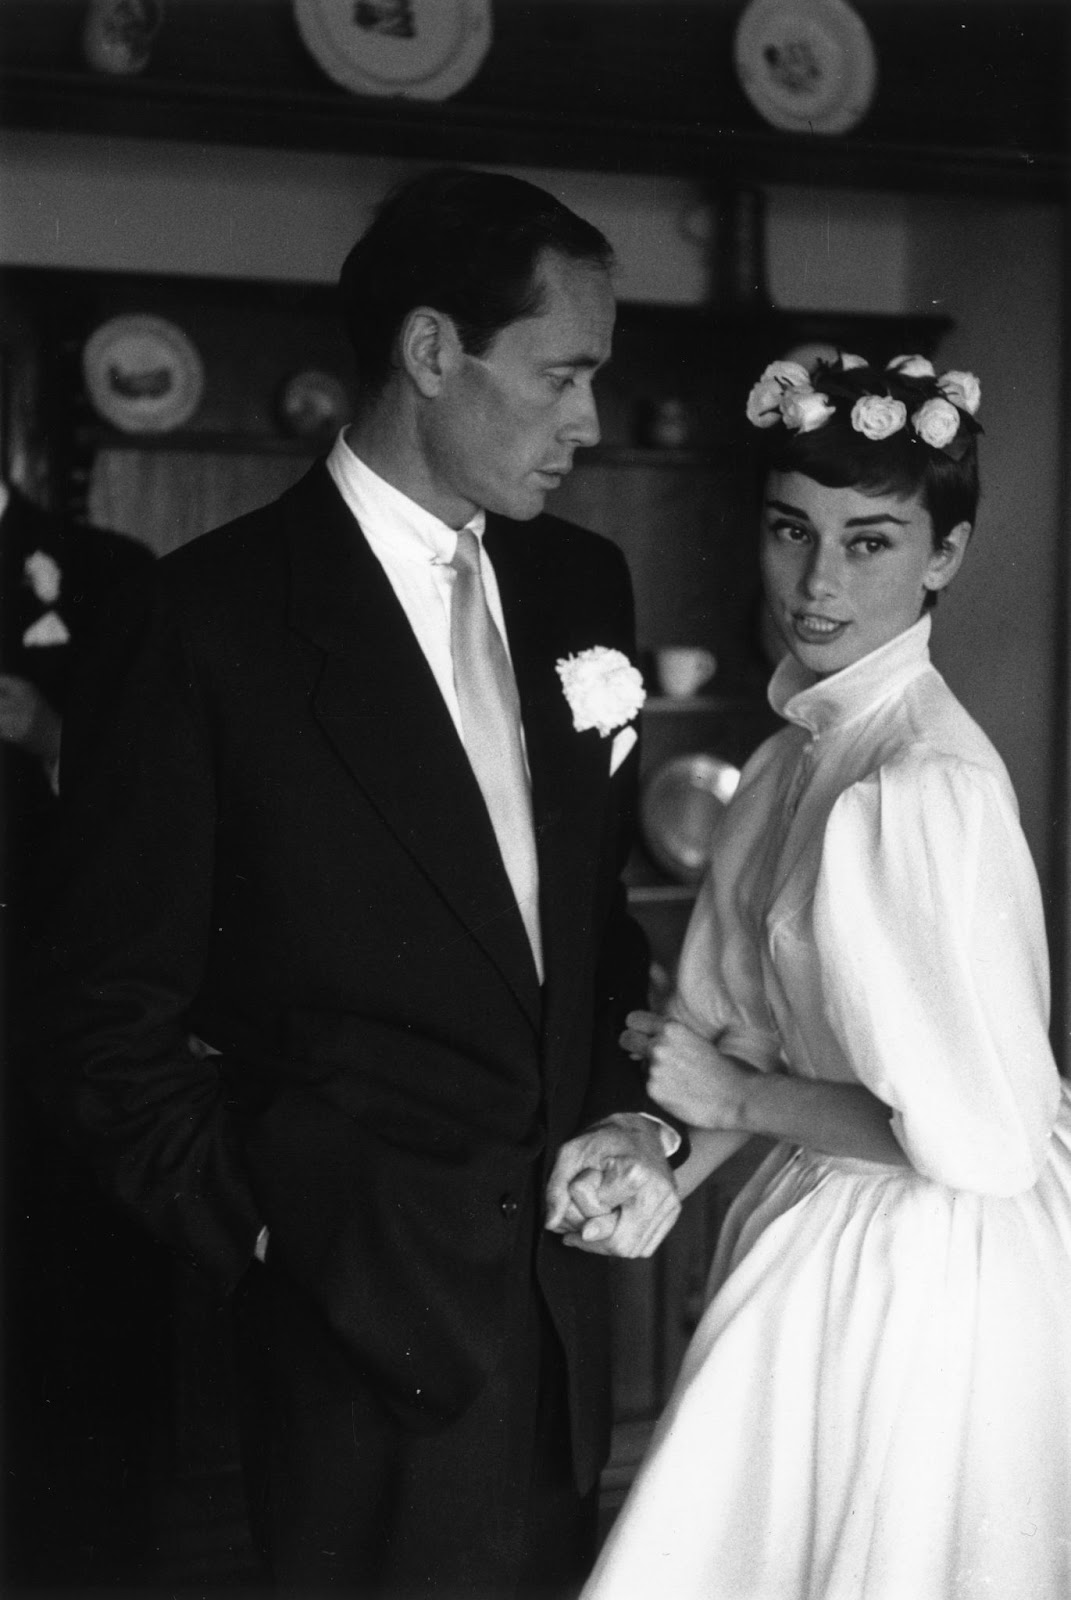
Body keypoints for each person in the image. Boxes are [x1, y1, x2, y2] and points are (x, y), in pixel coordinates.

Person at [22, 167, 685, 1599]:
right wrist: (278, 1236)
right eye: (560, 374)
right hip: (349, 1344)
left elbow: (585, 933)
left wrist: (627, 1118)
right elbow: (97, 1022)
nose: (588, 421)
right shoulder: (202, 622)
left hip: (566, 1319)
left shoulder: (580, 586)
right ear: (432, 350)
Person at [581, 352, 1071, 1600]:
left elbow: (985, 1140)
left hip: (928, 1269)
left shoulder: (923, 789)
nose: (818, 580)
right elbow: (735, 1041)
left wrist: (735, 1109)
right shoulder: (796, 762)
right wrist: (665, 1162)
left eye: (871, 542)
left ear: (946, 555)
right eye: (795, 531)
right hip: (820, 1212)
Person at [0, 481, 165, 1587]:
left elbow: (162, 792)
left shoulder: (108, 575)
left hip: (45, 1033)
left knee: (65, 1319)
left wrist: (44, 729)